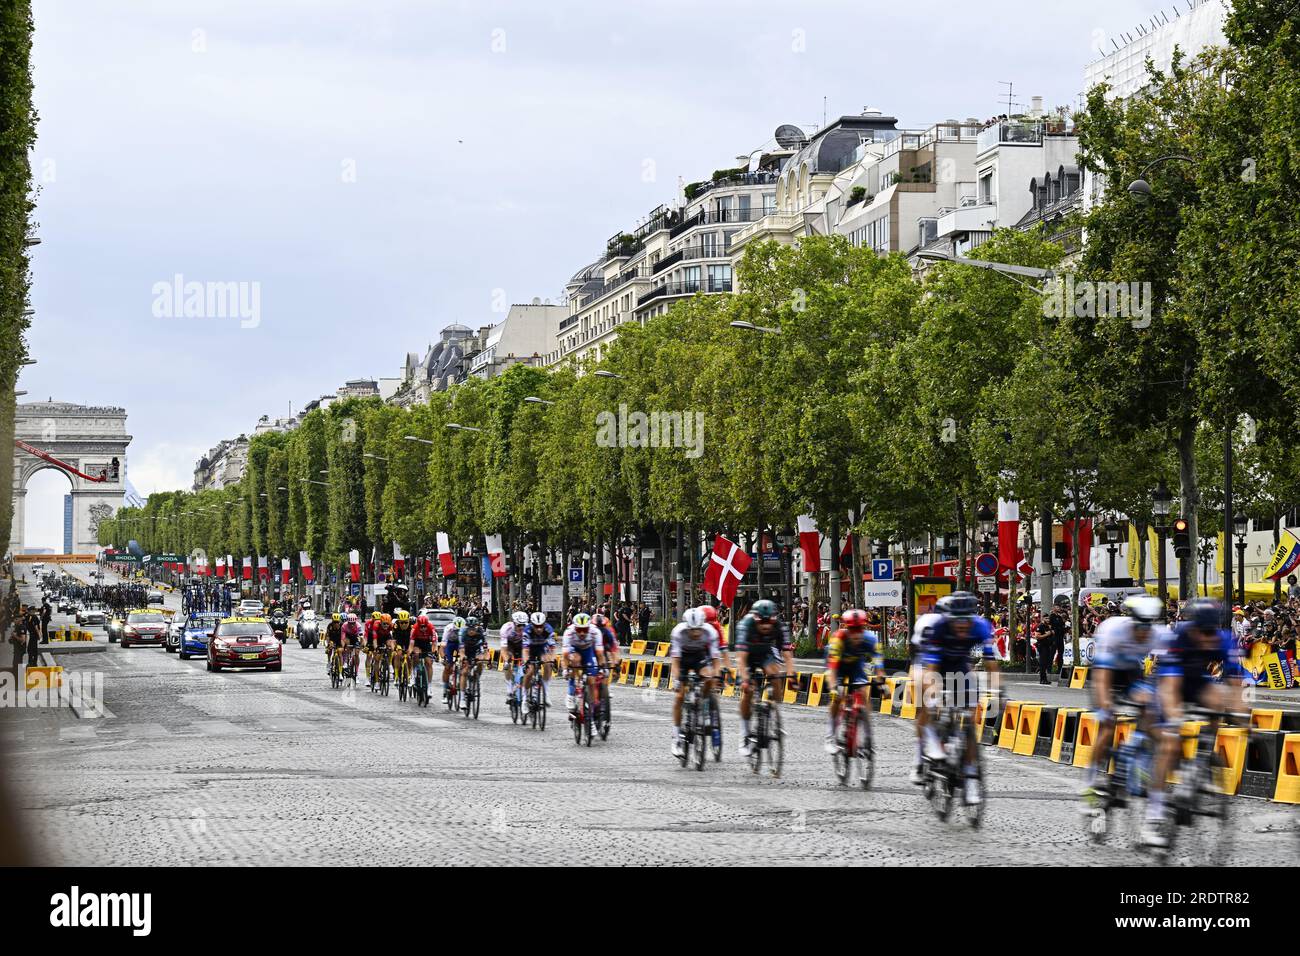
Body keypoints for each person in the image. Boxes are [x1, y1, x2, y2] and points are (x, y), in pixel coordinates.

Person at [1143, 597, 1246, 849]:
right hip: (1171, 680)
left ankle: (1202, 763)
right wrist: (1173, 721)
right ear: (1193, 628)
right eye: (1201, 632)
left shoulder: (1223, 639)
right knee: (1169, 743)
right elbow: (1170, 688)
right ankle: (1153, 815)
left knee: (1218, 701)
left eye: (1210, 632)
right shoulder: (1181, 636)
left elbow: (1234, 684)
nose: (1205, 638)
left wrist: (1244, 718)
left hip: (1198, 680)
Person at [1082, 595, 1166, 813]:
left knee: (1151, 712)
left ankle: (1139, 763)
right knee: (1108, 725)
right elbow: (1102, 678)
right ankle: (1090, 782)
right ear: (1131, 622)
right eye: (1139, 628)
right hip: (1106, 673)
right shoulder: (1112, 630)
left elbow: (1168, 674)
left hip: (1130, 671)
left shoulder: (1158, 635)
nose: (1143, 634)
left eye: (1147, 629)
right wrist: (1105, 707)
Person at [916, 591, 1000, 805]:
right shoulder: (938, 628)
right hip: (938, 666)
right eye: (957, 620)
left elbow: (991, 663)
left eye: (966, 620)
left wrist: (998, 690)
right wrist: (933, 696)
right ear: (948, 618)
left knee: (970, 723)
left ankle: (971, 775)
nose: (962, 625)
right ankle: (934, 744)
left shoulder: (981, 626)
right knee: (931, 703)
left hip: (961, 667)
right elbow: (930, 670)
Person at [733, 599, 794, 757]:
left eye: (769, 623)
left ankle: (776, 713)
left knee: (776, 676)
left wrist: (792, 674)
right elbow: (740, 658)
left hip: (765, 653)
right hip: (747, 657)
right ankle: (745, 734)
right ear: (755, 619)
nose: (766, 627)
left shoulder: (780, 626)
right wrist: (746, 679)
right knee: (747, 691)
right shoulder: (745, 626)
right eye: (762, 623)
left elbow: (787, 654)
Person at [824, 608, 885, 754]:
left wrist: (882, 683)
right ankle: (830, 737)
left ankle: (868, 740)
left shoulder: (871, 639)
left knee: (863, 694)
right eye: (853, 629)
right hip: (837, 666)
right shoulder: (838, 639)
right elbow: (832, 669)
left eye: (860, 629)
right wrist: (833, 688)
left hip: (856, 665)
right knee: (837, 697)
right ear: (846, 628)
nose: (857, 633)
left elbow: (878, 665)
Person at [669, 607, 721, 757]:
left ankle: (704, 707)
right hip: (683, 658)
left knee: (709, 678)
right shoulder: (678, 632)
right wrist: (677, 681)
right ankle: (676, 738)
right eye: (692, 630)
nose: (696, 633)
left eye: (698, 629)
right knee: (679, 697)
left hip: (699, 655)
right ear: (687, 627)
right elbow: (676, 663)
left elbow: (716, 661)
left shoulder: (710, 632)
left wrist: (716, 677)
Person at [561, 612, 605, 720]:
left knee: (591, 679)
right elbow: (565, 655)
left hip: (588, 651)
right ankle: (571, 694)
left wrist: (602, 668)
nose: (581, 633)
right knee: (575, 660)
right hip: (574, 650)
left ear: (589, 628)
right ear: (574, 628)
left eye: (584, 630)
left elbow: (599, 654)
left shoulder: (595, 631)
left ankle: (592, 706)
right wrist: (566, 669)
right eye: (578, 630)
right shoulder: (569, 632)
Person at [523, 611, 556, 704]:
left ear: (544, 624)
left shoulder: (548, 629)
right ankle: (525, 698)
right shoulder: (527, 630)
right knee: (530, 671)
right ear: (532, 624)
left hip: (541, 648)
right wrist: (526, 662)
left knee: (547, 664)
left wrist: (552, 660)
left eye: (541, 626)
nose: (539, 629)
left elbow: (552, 648)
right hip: (530, 649)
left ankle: (546, 693)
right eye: (536, 626)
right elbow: (525, 650)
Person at [501, 611, 528, 706]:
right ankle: (509, 691)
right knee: (508, 662)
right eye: (519, 625)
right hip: (510, 645)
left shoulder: (528, 629)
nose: (521, 628)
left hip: (522, 646)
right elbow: (504, 649)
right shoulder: (507, 628)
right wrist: (506, 661)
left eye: (523, 625)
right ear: (514, 623)